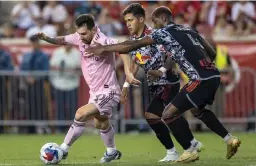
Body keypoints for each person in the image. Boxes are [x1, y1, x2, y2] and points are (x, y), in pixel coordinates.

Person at [86, 6, 241, 163]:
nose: (154, 26)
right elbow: (212, 53)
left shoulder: (162, 33)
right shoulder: (188, 29)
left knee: (167, 114)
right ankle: (229, 139)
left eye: (155, 21)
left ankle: (189, 150)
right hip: (213, 75)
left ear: (164, 19)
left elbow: (131, 47)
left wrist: (104, 48)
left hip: (196, 79)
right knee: (197, 110)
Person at [35, 14, 140, 163]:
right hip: (95, 92)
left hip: (109, 91)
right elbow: (63, 40)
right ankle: (112, 151)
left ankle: (63, 149)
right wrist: (47, 38)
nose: (81, 37)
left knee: (80, 114)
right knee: (100, 123)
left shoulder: (103, 41)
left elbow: (123, 49)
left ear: (94, 29)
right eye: (79, 33)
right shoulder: (79, 37)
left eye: (84, 34)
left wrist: (128, 73)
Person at [120, 3, 203, 162]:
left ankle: (173, 151)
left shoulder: (155, 35)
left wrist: (162, 71)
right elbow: (135, 63)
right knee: (173, 114)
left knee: (152, 115)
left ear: (141, 19)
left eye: (130, 20)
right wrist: (125, 86)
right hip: (154, 85)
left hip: (167, 81)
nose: (128, 24)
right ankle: (192, 142)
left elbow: (171, 55)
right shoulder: (133, 41)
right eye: (126, 21)